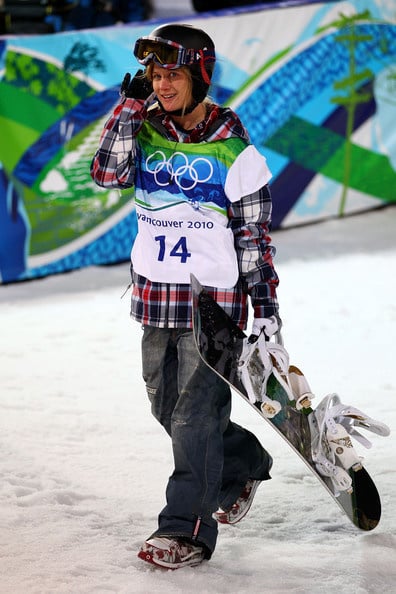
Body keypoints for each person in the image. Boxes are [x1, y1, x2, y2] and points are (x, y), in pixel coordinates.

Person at [90, 23, 280, 570]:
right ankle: (241, 463)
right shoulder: (143, 125)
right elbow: (105, 172)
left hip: (214, 303)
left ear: (199, 75)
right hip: (157, 295)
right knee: (168, 408)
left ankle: (186, 531)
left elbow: (253, 235)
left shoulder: (232, 145)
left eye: (173, 73)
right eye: (155, 73)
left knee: (195, 416)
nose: (162, 83)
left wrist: (265, 310)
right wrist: (128, 107)